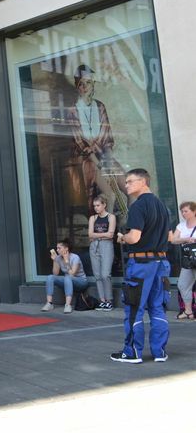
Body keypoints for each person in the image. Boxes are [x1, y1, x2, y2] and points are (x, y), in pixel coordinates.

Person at [111, 168, 171, 363]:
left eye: (129, 181)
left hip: (141, 263)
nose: (126, 185)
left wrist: (123, 238)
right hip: (161, 262)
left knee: (134, 307)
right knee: (157, 306)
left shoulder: (138, 206)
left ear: (143, 182)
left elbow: (134, 237)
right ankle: (159, 352)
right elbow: (169, 236)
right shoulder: (162, 206)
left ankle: (132, 353)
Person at [67, 64, 129, 218]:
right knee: (110, 195)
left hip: (103, 156)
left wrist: (107, 162)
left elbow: (107, 139)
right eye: (81, 83)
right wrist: (100, 165)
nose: (85, 86)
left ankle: (129, 226)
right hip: (87, 160)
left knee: (129, 188)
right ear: (77, 86)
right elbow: (81, 144)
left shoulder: (100, 106)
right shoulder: (72, 111)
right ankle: (111, 233)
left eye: (88, 82)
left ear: (93, 83)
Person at [40, 240, 88, 313]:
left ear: (66, 248)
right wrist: (55, 260)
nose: (57, 250)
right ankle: (49, 303)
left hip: (81, 282)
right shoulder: (59, 258)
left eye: (59, 248)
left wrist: (66, 261)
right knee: (50, 277)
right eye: (57, 248)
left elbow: (72, 274)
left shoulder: (75, 257)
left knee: (68, 277)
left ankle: (68, 305)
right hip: (68, 281)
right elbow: (55, 273)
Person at [88, 195, 116, 311]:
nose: (96, 208)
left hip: (106, 246)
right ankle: (102, 301)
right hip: (94, 246)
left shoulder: (111, 217)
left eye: (98, 205)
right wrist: (103, 235)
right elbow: (90, 234)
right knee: (98, 275)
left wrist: (96, 235)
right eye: (94, 206)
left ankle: (109, 300)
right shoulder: (93, 218)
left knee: (105, 274)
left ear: (104, 205)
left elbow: (111, 234)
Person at [169, 201, 196, 320]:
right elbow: (174, 240)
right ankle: (188, 311)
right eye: (182, 211)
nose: (183, 214)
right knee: (182, 284)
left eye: (186, 211)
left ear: (194, 211)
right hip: (188, 260)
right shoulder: (181, 226)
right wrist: (187, 239)